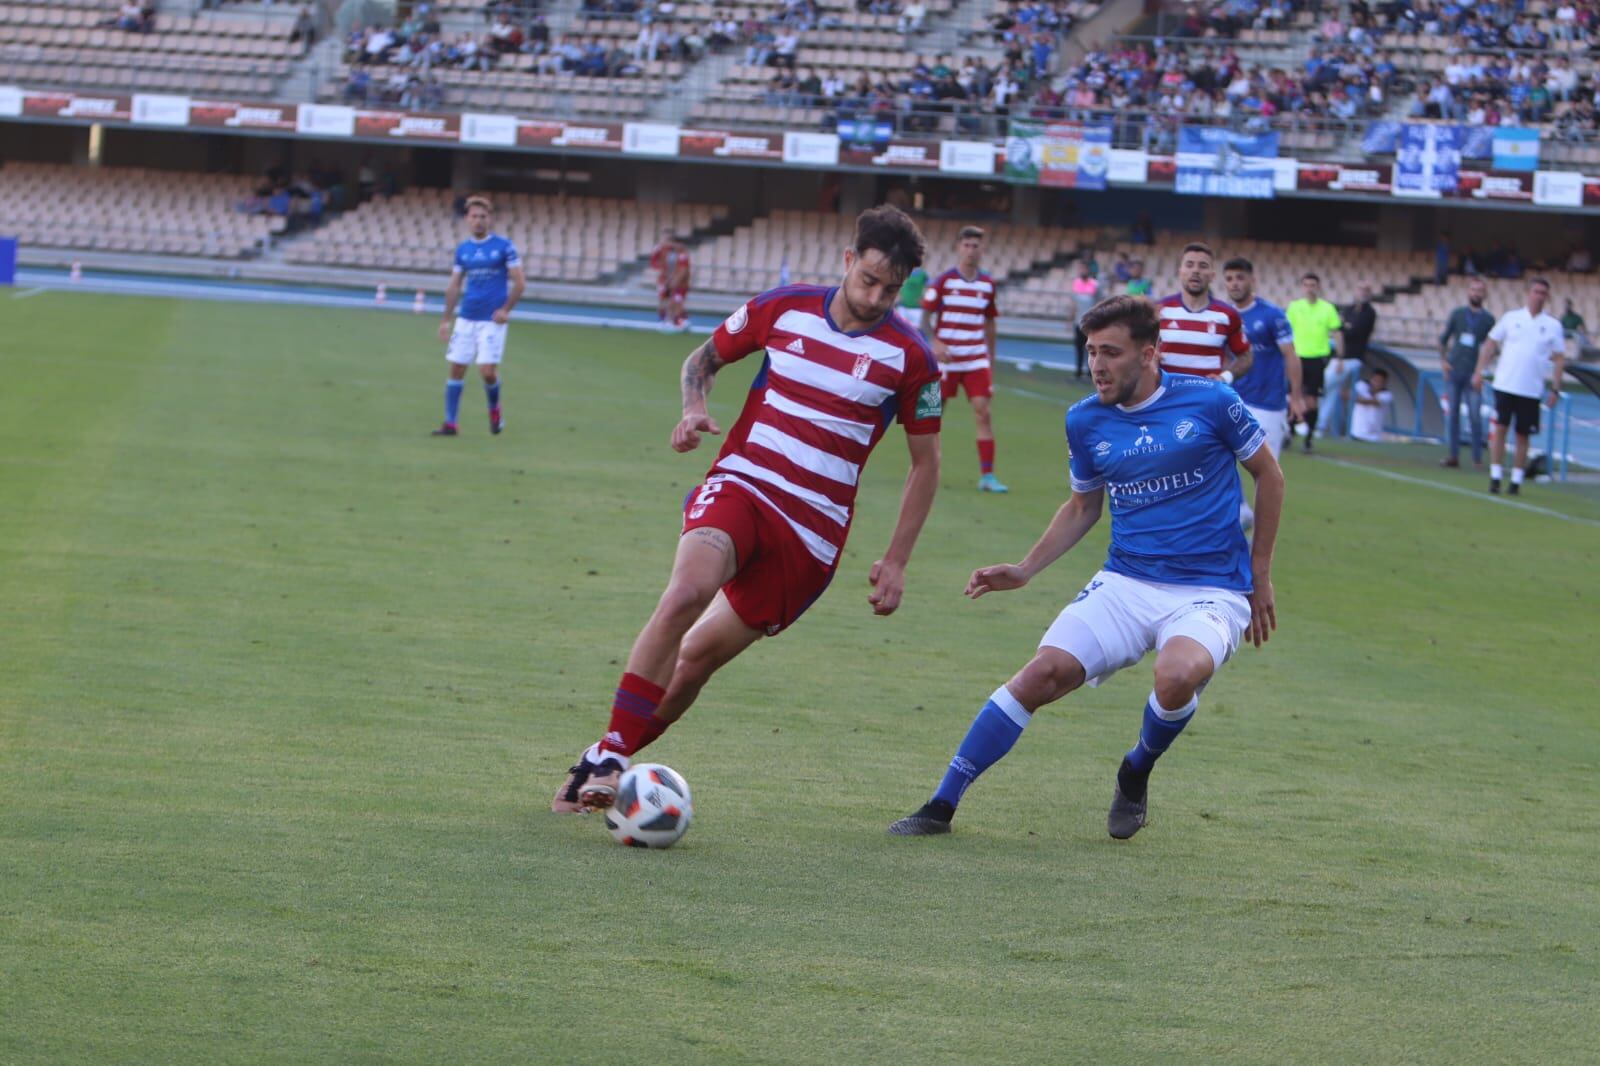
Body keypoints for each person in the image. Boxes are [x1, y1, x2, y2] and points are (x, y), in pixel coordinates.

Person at [553, 206, 945, 813]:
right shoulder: (783, 307)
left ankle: (607, 757)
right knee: (686, 593)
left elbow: (927, 465)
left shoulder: (911, 358)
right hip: (746, 484)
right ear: (847, 260)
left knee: (695, 663)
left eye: (890, 290)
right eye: (868, 280)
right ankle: (610, 756)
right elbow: (701, 360)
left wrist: (896, 560)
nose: (875, 298)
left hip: (810, 537)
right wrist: (691, 409)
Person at [887, 296, 1284, 840]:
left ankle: (1137, 766)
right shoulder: (1084, 419)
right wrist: (1026, 569)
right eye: (1092, 351)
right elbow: (1083, 506)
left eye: (1111, 353)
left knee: (1175, 675)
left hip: (1210, 590)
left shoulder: (1212, 400)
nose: (1097, 365)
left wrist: (1260, 577)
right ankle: (940, 805)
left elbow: (1271, 477)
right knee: (1039, 675)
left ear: (1149, 354)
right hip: (1125, 581)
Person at [923, 226, 1007, 493]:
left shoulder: (987, 284)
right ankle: (927, 470)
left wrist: (990, 359)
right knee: (933, 415)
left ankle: (987, 476)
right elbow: (925, 316)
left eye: (976, 246)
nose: (971, 250)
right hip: (946, 360)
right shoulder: (944, 281)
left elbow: (990, 322)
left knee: (984, 412)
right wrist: (934, 342)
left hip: (975, 359)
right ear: (959, 247)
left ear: (983, 250)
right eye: (967, 245)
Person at [432, 196, 524, 437]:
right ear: (467, 219)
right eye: (474, 217)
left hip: (492, 321)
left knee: (487, 371)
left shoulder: (504, 247)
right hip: (466, 319)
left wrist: (506, 310)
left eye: (483, 217)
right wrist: (446, 319)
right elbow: (454, 286)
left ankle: (495, 409)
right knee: (456, 369)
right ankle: (451, 424)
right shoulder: (463, 250)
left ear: (490, 219)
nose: (479, 221)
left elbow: (520, 283)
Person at [1473, 278, 1567, 495]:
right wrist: (1479, 371)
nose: (1539, 296)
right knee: (1500, 430)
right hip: (1505, 384)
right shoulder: (1511, 318)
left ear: (1548, 297)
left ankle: (1516, 480)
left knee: (1523, 435)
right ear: (1528, 293)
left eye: (1543, 293)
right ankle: (1495, 476)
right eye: (1536, 291)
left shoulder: (1552, 326)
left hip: (1531, 389)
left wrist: (1555, 388)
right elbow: (1490, 344)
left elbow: (1560, 358)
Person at [1223, 256, 1305, 463]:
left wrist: (1295, 397)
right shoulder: (1223, 315)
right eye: (1229, 278)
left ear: (1252, 280)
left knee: (1267, 470)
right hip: (1233, 401)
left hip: (1267, 404)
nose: (1234, 283)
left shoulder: (1272, 315)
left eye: (1240, 278)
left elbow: (1290, 355)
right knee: (1220, 466)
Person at [1156, 242, 1251, 382]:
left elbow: (1246, 357)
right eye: (1189, 264)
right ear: (1180, 272)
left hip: (1207, 399)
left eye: (1203, 266)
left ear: (1212, 275)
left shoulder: (1227, 315)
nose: (1195, 270)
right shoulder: (1159, 310)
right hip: (1166, 397)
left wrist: (1225, 378)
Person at [1438, 277, 1495, 468]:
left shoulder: (1488, 320)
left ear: (1484, 294)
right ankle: (1453, 455)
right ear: (1468, 292)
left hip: (1473, 373)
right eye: (1473, 290)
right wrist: (1444, 361)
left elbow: (1491, 347)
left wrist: (1482, 369)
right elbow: (1443, 339)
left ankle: (1477, 458)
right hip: (1455, 370)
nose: (1476, 293)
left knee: (1475, 416)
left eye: (1480, 290)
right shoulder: (1458, 314)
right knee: (1453, 414)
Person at [1285, 272, 1342, 452]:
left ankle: (1309, 437)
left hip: (1317, 359)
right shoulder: (1294, 307)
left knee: (1311, 400)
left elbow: (1337, 332)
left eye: (1313, 285)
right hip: (1297, 357)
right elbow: (1286, 332)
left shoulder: (1327, 309)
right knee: (1294, 396)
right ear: (1302, 287)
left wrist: (1340, 357)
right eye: (1306, 285)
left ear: (1318, 287)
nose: (1310, 288)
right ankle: (1290, 432)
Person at [649, 229, 692, 330]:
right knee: (664, 301)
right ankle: (664, 321)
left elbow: (683, 270)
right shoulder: (663, 251)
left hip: (679, 284)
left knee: (676, 302)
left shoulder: (682, 254)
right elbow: (654, 263)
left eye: (670, 240)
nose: (668, 243)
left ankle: (680, 321)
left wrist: (675, 280)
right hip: (666, 280)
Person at [1070, 260, 1099, 379]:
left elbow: (1099, 302)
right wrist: (1070, 318)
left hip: (1091, 323)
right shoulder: (1076, 283)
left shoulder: (1095, 284)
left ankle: (1090, 372)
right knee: (1078, 347)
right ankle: (1078, 372)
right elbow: (1073, 302)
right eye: (1080, 269)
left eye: (1084, 269)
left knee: (1091, 348)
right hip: (1078, 322)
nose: (1082, 271)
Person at [1349, 368, 1393, 442]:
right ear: (1371, 379)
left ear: (1385, 383)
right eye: (1375, 380)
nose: (1377, 383)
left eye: (1380, 381)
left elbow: (1372, 402)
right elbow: (1345, 394)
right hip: (1356, 434)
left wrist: (1356, 398)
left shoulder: (1387, 395)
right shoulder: (1361, 386)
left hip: (1374, 438)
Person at [899, 264, 929, 332]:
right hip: (903, 306)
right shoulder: (905, 271)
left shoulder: (923, 275)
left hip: (916, 307)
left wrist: (924, 298)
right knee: (900, 328)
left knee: (915, 330)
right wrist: (899, 296)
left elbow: (930, 287)